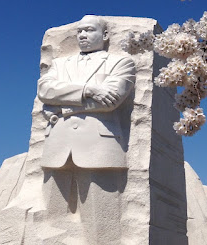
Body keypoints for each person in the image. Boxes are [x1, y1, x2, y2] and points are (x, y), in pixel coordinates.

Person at [36, 15, 136, 243]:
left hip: (99, 145)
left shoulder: (121, 63)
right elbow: (45, 91)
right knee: (49, 222)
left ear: (105, 35)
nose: (82, 35)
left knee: (102, 224)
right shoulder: (61, 64)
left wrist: (62, 108)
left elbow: (111, 101)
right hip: (58, 145)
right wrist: (88, 90)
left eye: (89, 30)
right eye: (79, 31)